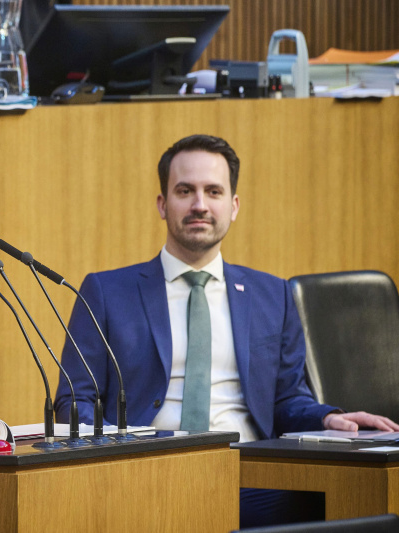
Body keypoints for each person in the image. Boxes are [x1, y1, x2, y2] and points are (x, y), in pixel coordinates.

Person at [53, 134, 399, 526]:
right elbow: (74, 401)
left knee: (354, 496)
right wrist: (125, 447)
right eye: (185, 191)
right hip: (145, 473)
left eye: (213, 191)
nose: (200, 205)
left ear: (233, 206)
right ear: (162, 204)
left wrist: (327, 419)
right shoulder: (106, 292)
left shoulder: (273, 295)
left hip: (251, 476)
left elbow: (286, 400)